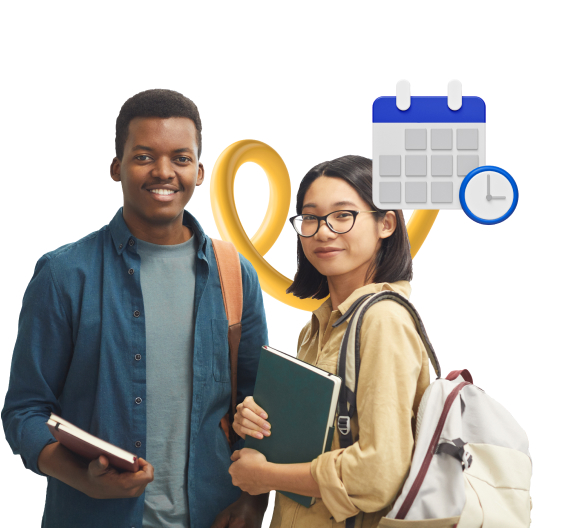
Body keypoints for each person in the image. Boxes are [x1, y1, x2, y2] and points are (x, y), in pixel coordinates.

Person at [2, 89, 269, 528]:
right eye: (144, 156)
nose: (164, 172)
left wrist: (254, 502)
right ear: (116, 167)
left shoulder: (234, 275)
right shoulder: (63, 274)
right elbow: (25, 410)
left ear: (200, 171)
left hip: (212, 516)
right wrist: (83, 479)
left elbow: (257, 406)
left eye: (181, 158)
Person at [228, 155, 431, 527]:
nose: (323, 231)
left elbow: (379, 473)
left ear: (386, 223)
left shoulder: (383, 321)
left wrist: (266, 476)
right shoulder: (320, 325)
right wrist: (258, 425)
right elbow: (318, 442)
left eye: (343, 215)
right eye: (310, 217)